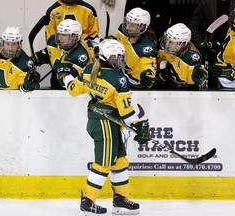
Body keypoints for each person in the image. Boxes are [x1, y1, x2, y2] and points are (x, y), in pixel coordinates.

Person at [58, 39, 150, 215]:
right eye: (118, 57)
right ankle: (88, 201)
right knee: (104, 163)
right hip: (105, 123)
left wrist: (65, 74)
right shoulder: (119, 78)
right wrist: (138, 125)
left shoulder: (89, 70)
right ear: (109, 57)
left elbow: (73, 89)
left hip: (99, 121)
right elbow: (126, 112)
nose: (121, 61)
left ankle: (120, 200)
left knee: (120, 161)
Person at [188, 0, 235, 87]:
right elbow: (193, 26)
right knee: (211, 83)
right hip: (212, 51)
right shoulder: (206, 2)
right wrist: (202, 43)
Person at [43, 0, 99, 88]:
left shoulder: (89, 10)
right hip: (61, 54)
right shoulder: (53, 10)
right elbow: (52, 40)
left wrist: (96, 55)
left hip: (83, 54)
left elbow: (94, 36)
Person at [0, 27, 40, 91]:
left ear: (19, 45)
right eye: (7, 44)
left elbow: (22, 86)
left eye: (14, 44)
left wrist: (26, 86)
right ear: (2, 43)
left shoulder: (25, 63)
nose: (10, 48)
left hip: (12, 98)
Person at [34, 19, 92, 89]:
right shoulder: (52, 42)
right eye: (59, 34)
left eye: (64, 35)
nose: (60, 38)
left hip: (73, 92)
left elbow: (70, 85)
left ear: (75, 37)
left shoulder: (81, 55)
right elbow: (48, 54)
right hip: (55, 83)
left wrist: (65, 75)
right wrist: (32, 61)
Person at [155, 23, 208, 89]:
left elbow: (193, 87)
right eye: (167, 40)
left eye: (171, 42)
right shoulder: (164, 49)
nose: (167, 44)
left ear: (182, 43)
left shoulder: (191, 58)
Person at [116, 7, 157, 90]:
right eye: (127, 23)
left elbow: (148, 64)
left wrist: (148, 74)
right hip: (121, 74)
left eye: (132, 25)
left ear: (142, 27)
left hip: (134, 83)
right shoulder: (122, 30)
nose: (127, 27)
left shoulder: (147, 46)